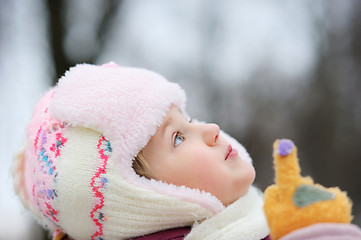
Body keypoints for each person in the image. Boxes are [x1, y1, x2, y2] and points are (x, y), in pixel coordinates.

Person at [13, 62, 361, 240]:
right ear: (146, 199)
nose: (210, 129)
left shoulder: (267, 217)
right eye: (178, 137)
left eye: (190, 119)